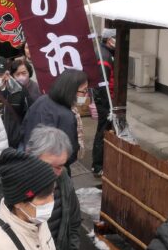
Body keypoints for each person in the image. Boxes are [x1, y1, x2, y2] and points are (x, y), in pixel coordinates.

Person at [22, 69, 88, 167]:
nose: (86, 94)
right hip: (54, 168)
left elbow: (24, 129)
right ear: (71, 90)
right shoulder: (66, 115)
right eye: (84, 91)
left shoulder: (41, 100)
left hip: (30, 161)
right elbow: (70, 151)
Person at [0, 56, 30, 150]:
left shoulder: (19, 91)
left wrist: (20, 135)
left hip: (12, 143)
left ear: (7, 75)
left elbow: (27, 115)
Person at [91, 30, 117, 176]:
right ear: (109, 40)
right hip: (105, 100)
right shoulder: (104, 56)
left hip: (106, 98)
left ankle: (100, 163)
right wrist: (107, 106)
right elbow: (102, 84)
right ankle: (98, 165)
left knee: (104, 130)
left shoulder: (105, 52)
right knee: (103, 131)